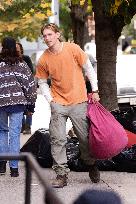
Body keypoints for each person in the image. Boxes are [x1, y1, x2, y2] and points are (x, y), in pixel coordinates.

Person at [35, 23, 100, 188]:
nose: (47, 38)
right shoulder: (43, 59)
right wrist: (50, 101)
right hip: (58, 103)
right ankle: (61, 174)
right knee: (57, 139)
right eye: (44, 36)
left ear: (57, 34)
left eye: (50, 34)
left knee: (84, 138)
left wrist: (95, 90)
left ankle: (91, 164)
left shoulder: (73, 49)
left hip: (78, 100)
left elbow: (89, 69)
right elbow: (42, 82)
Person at [0, 37, 37, 177]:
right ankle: (14, 169)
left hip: (1, 103)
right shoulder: (21, 64)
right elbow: (30, 86)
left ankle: (2, 165)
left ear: (3, 47)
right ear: (15, 47)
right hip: (17, 103)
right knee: (15, 134)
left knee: (2, 131)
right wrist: (31, 104)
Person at [16, 42, 34, 134]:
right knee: (20, 106)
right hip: (17, 87)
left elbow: (31, 70)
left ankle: (28, 126)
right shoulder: (12, 59)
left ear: (21, 49)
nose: (16, 49)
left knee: (30, 105)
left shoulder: (26, 58)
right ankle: (22, 125)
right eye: (15, 47)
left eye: (18, 47)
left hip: (27, 85)